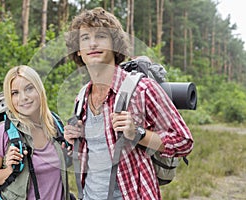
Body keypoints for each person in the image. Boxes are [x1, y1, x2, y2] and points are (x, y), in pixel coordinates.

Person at [64, 7, 194, 200]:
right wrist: (74, 138)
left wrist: (138, 134)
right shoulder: (82, 96)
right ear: (79, 51)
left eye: (101, 36)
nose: (92, 43)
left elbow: (184, 141)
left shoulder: (142, 88)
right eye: (84, 38)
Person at [0, 65, 72, 200]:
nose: (23, 97)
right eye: (15, 93)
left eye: (29, 88)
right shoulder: (3, 133)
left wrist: (70, 154)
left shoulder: (55, 124)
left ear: (39, 90)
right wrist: (10, 170)